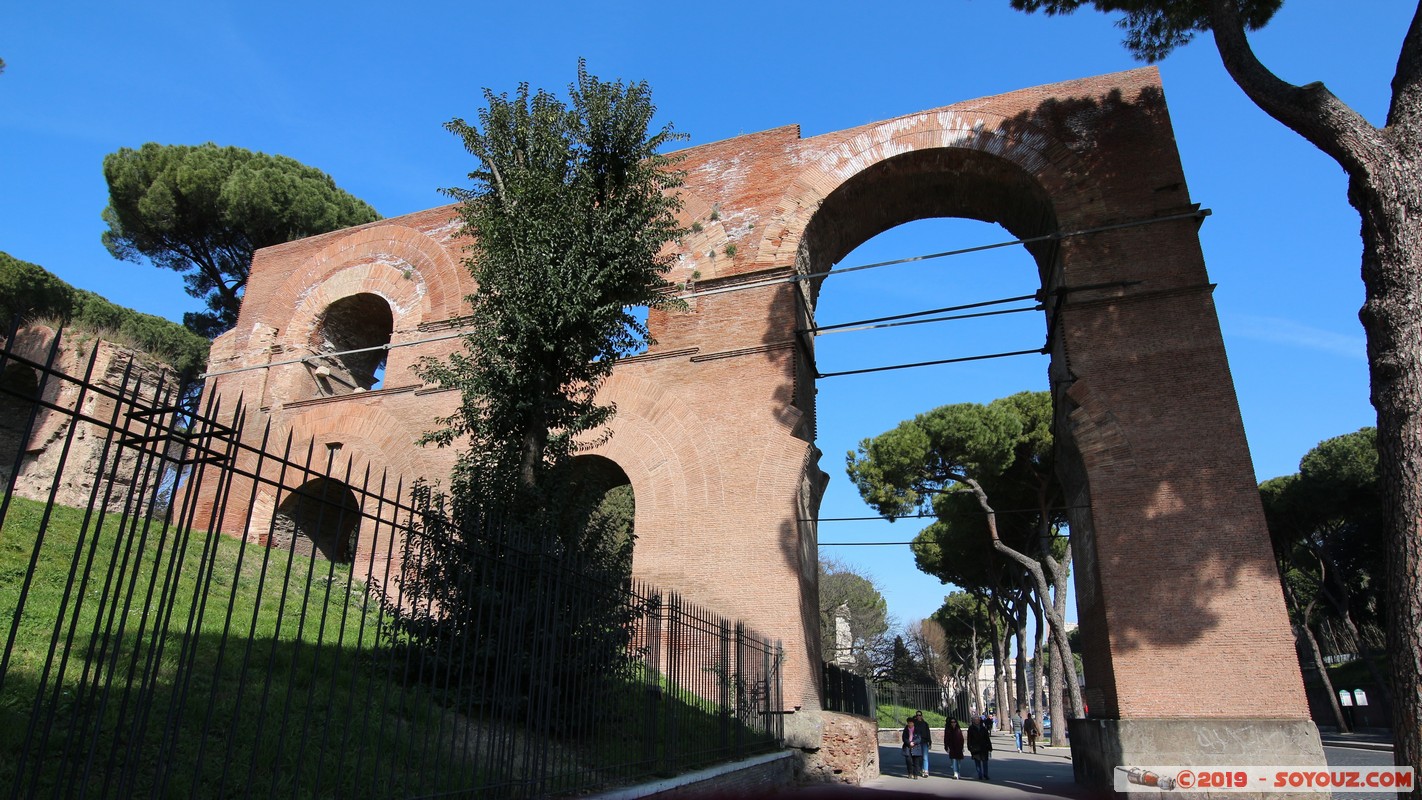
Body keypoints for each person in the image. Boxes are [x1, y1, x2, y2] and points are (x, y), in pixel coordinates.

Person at [967, 714, 993, 780]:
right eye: (975, 720)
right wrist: (969, 747)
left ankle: (985, 774)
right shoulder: (971, 728)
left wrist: (989, 746)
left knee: (985, 761)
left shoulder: (983, 728)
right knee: (977, 762)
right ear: (973, 721)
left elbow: (987, 738)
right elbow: (969, 738)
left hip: (984, 747)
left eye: (978, 719)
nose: (977, 721)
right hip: (975, 747)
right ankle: (980, 774)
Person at [913, 711, 933, 777]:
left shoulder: (925, 724)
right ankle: (921, 770)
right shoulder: (914, 724)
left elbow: (928, 733)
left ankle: (926, 771)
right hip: (917, 742)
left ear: (922, 716)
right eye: (917, 715)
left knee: (925, 757)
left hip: (924, 741)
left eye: (920, 715)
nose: (918, 716)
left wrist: (930, 742)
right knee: (918, 757)